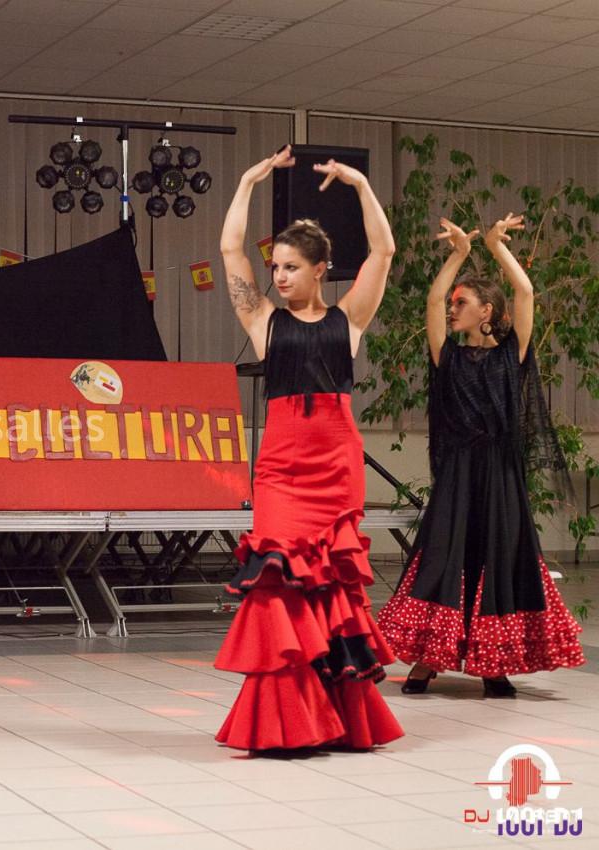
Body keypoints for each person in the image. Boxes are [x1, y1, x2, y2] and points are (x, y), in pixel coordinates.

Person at [212, 146, 403, 751]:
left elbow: (385, 251)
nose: (279, 276)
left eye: (292, 267)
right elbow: (230, 252)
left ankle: (336, 716)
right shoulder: (264, 321)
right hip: (281, 469)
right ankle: (286, 717)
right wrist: (246, 179)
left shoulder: (348, 320)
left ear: (322, 268)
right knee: (279, 582)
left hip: (334, 463)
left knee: (333, 587)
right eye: (277, 267)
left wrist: (360, 186)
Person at [377, 215, 584, 697]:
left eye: (462, 303)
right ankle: (429, 659)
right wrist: (456, 256)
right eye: (453, 304)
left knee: (499, 557)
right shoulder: (445, 357)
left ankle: (495, 662)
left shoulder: (512, 356)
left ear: (486, 310)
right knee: (444, 556)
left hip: (500, 473)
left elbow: (527, 294)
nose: (452, 309)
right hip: (457, 475)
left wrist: (495, 247)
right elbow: (431, 300)